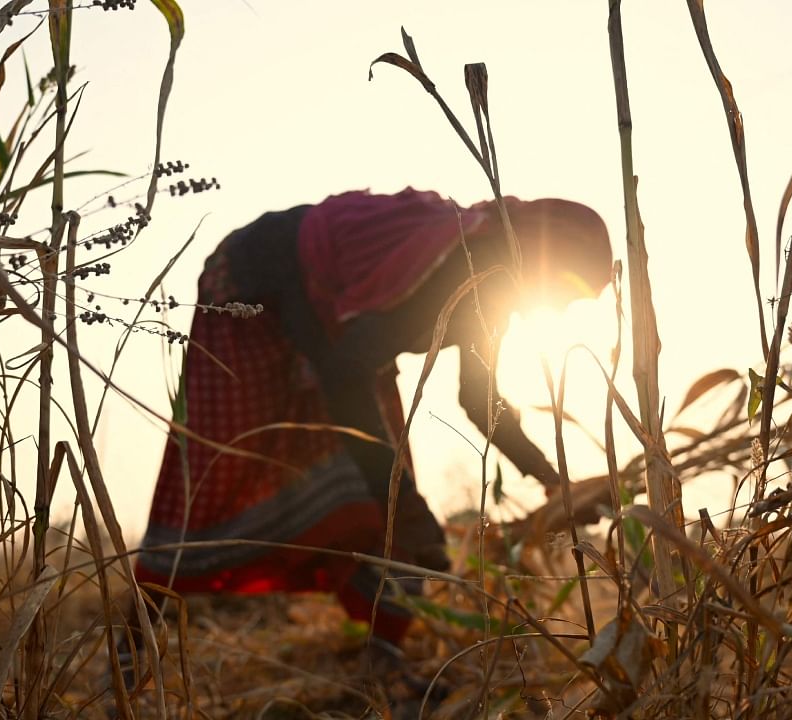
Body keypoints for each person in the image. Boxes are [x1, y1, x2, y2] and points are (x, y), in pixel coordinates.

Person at [131, 187, 612, 649]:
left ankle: (383, 661)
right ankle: (134, 642)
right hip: (256, 285)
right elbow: (344, 373)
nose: (563, 307)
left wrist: (556, 484)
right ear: (543, 259)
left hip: (341, 340)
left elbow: (480, 399)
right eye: (566, 290)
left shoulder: (492, 294)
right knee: (222, 470)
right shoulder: (452, 266)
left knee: (383, 508)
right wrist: (401, 498)